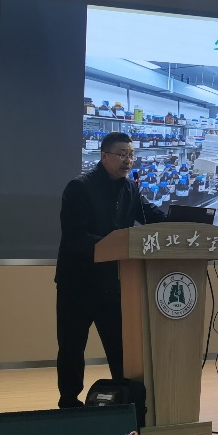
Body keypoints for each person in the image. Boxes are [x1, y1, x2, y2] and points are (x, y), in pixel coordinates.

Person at [56, 131, 166, 408]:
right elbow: (74, 236)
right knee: (72, 348)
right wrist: (115, 245)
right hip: (77, 284)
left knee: (121, 348)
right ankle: (68, 403)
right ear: (104, 156)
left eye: (131, 155)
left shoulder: (130, 188)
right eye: (122, 155)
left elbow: (151, 216)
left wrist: (186, 223)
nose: (128, 160)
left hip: (113, 283)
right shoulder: (79, 187)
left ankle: (125, 401)